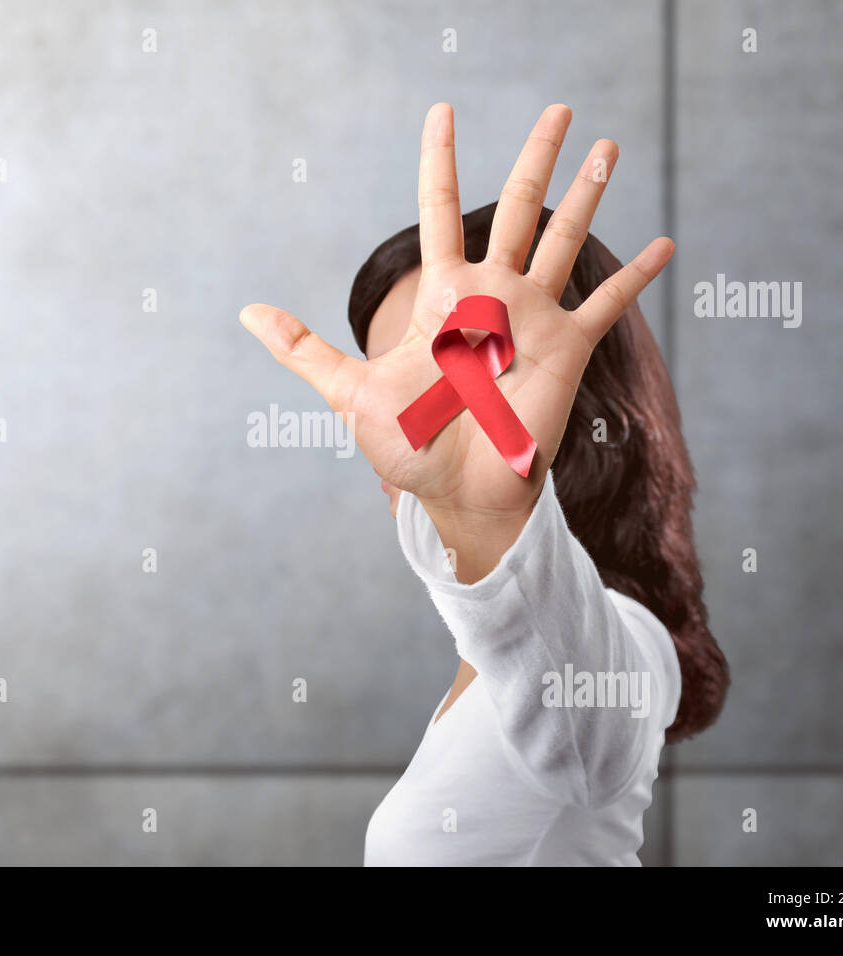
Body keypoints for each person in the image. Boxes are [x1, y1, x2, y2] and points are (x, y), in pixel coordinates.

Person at [240, 103, 729, 865]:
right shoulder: (488, 661)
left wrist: (489, 519)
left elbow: (588, 731)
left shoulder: (626, 641)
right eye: (391, 382)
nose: (403, 428)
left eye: (454, 376)